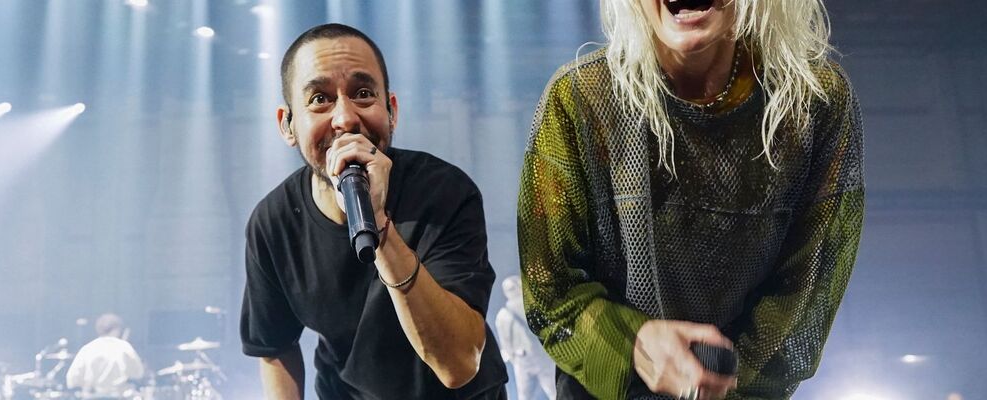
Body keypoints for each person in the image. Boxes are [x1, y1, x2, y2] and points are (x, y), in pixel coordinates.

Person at [517, 0, 864, 399]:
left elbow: (806, 289)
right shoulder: (579, 97)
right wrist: (636, 344)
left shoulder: (815, 101)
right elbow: (551, 290)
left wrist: (724, 382)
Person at [239, 23, 507, 399]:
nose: (345, 119)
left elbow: (458, 364)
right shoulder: (273, 223)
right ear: (287, 125)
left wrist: (380, 228)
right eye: (320, 99)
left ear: (391, 110)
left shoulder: (445, 193)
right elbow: (274, 347)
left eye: (363, 94)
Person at [494, 276, 556, 400]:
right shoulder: (533, 305)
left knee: (525, 396)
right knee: (554, 391)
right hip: (536, 356)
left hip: (523, 359)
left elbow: (506, 344)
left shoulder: (503, 315)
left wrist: (515, 358)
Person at [65, 313, 144, 398]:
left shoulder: (87, 349)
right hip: (118, 397)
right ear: (116, 329)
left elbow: (72, 379)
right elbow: (138, 373)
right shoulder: (125, 348)